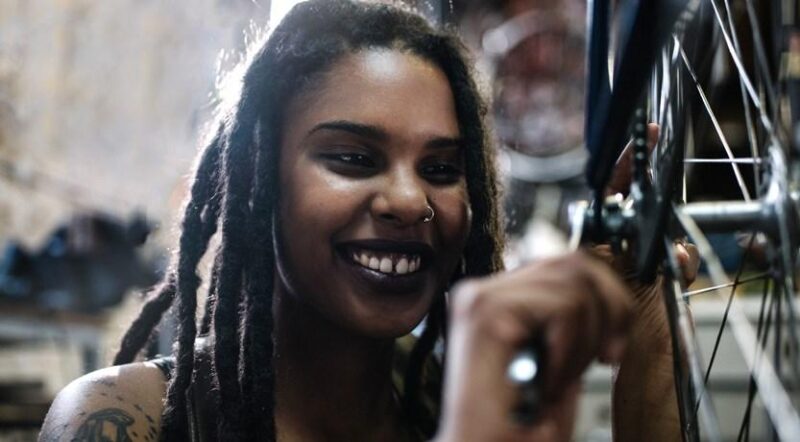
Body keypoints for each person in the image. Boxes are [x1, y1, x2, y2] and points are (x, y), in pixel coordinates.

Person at [38, 1, 696, 441]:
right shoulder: (123, 420)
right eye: (353, 158)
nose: (411, 202)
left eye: (442, 169)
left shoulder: (461, 398)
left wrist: (647, 319)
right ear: (259, 187)